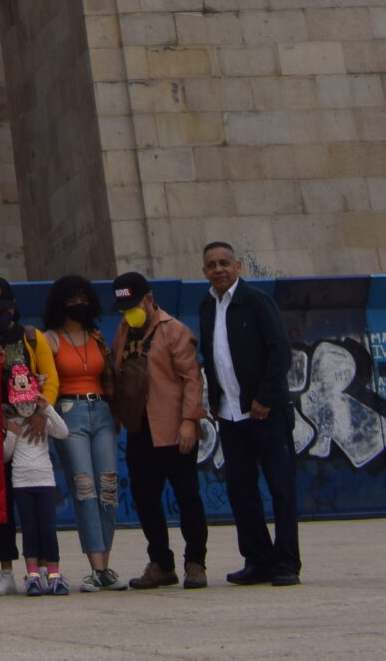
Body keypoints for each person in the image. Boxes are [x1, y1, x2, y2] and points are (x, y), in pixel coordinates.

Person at [198, 240, 299, 587]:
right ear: (204, 272)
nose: (219, 269)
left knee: (282, 489)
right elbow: (215, 357)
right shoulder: (207, 306)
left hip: (266, 412)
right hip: (230, 416)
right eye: (212, 265)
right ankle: (258, 560)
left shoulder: (257, 301)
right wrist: (214, 398)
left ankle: (286, 563)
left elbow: (280, 352)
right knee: (242, 492)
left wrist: (264, 399)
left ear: (238, 266)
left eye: (225, 262)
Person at [110, 272, 207, 591]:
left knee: (187, 497)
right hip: (140, 430)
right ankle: (161, 563)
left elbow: (192, 378)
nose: (129, 313)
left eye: (133, 305)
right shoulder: (124, 331)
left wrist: (190, 420)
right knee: (145, 498)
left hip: (175, 427)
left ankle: (195, 562)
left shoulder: (173, 330)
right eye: (123, 307)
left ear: (149, 300)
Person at [0, 274, 57, 593]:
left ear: (13, 307)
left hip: (30, 428)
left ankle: (43, 568)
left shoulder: (32, 337)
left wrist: (43, 413)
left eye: (3, 307)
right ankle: (6, 569)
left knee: (35, 502)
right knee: (1, 504)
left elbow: (51, 378)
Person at [44, 274, 121, 590]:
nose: (79, 303)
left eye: (83, 296)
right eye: (71, 297)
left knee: (108, 487)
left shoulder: (97, 336)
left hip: (101, 410)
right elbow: (47, 378)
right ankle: (96, 565)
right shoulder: (50, 338)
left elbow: (110, 377)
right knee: (84, 487)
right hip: (70, 411)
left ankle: (106, 564)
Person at [4, 361, 70, 594]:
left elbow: (63, 432)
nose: (26, 405)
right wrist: (11, 434)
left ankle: (54, 574)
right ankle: (32, 575)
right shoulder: (13, 423)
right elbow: (5, 456)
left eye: (30, 400)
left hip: (45, 482)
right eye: (21, 401)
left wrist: (47, 408)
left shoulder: (41, 422)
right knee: (29, 529)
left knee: (48, 529)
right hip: (21, 483)